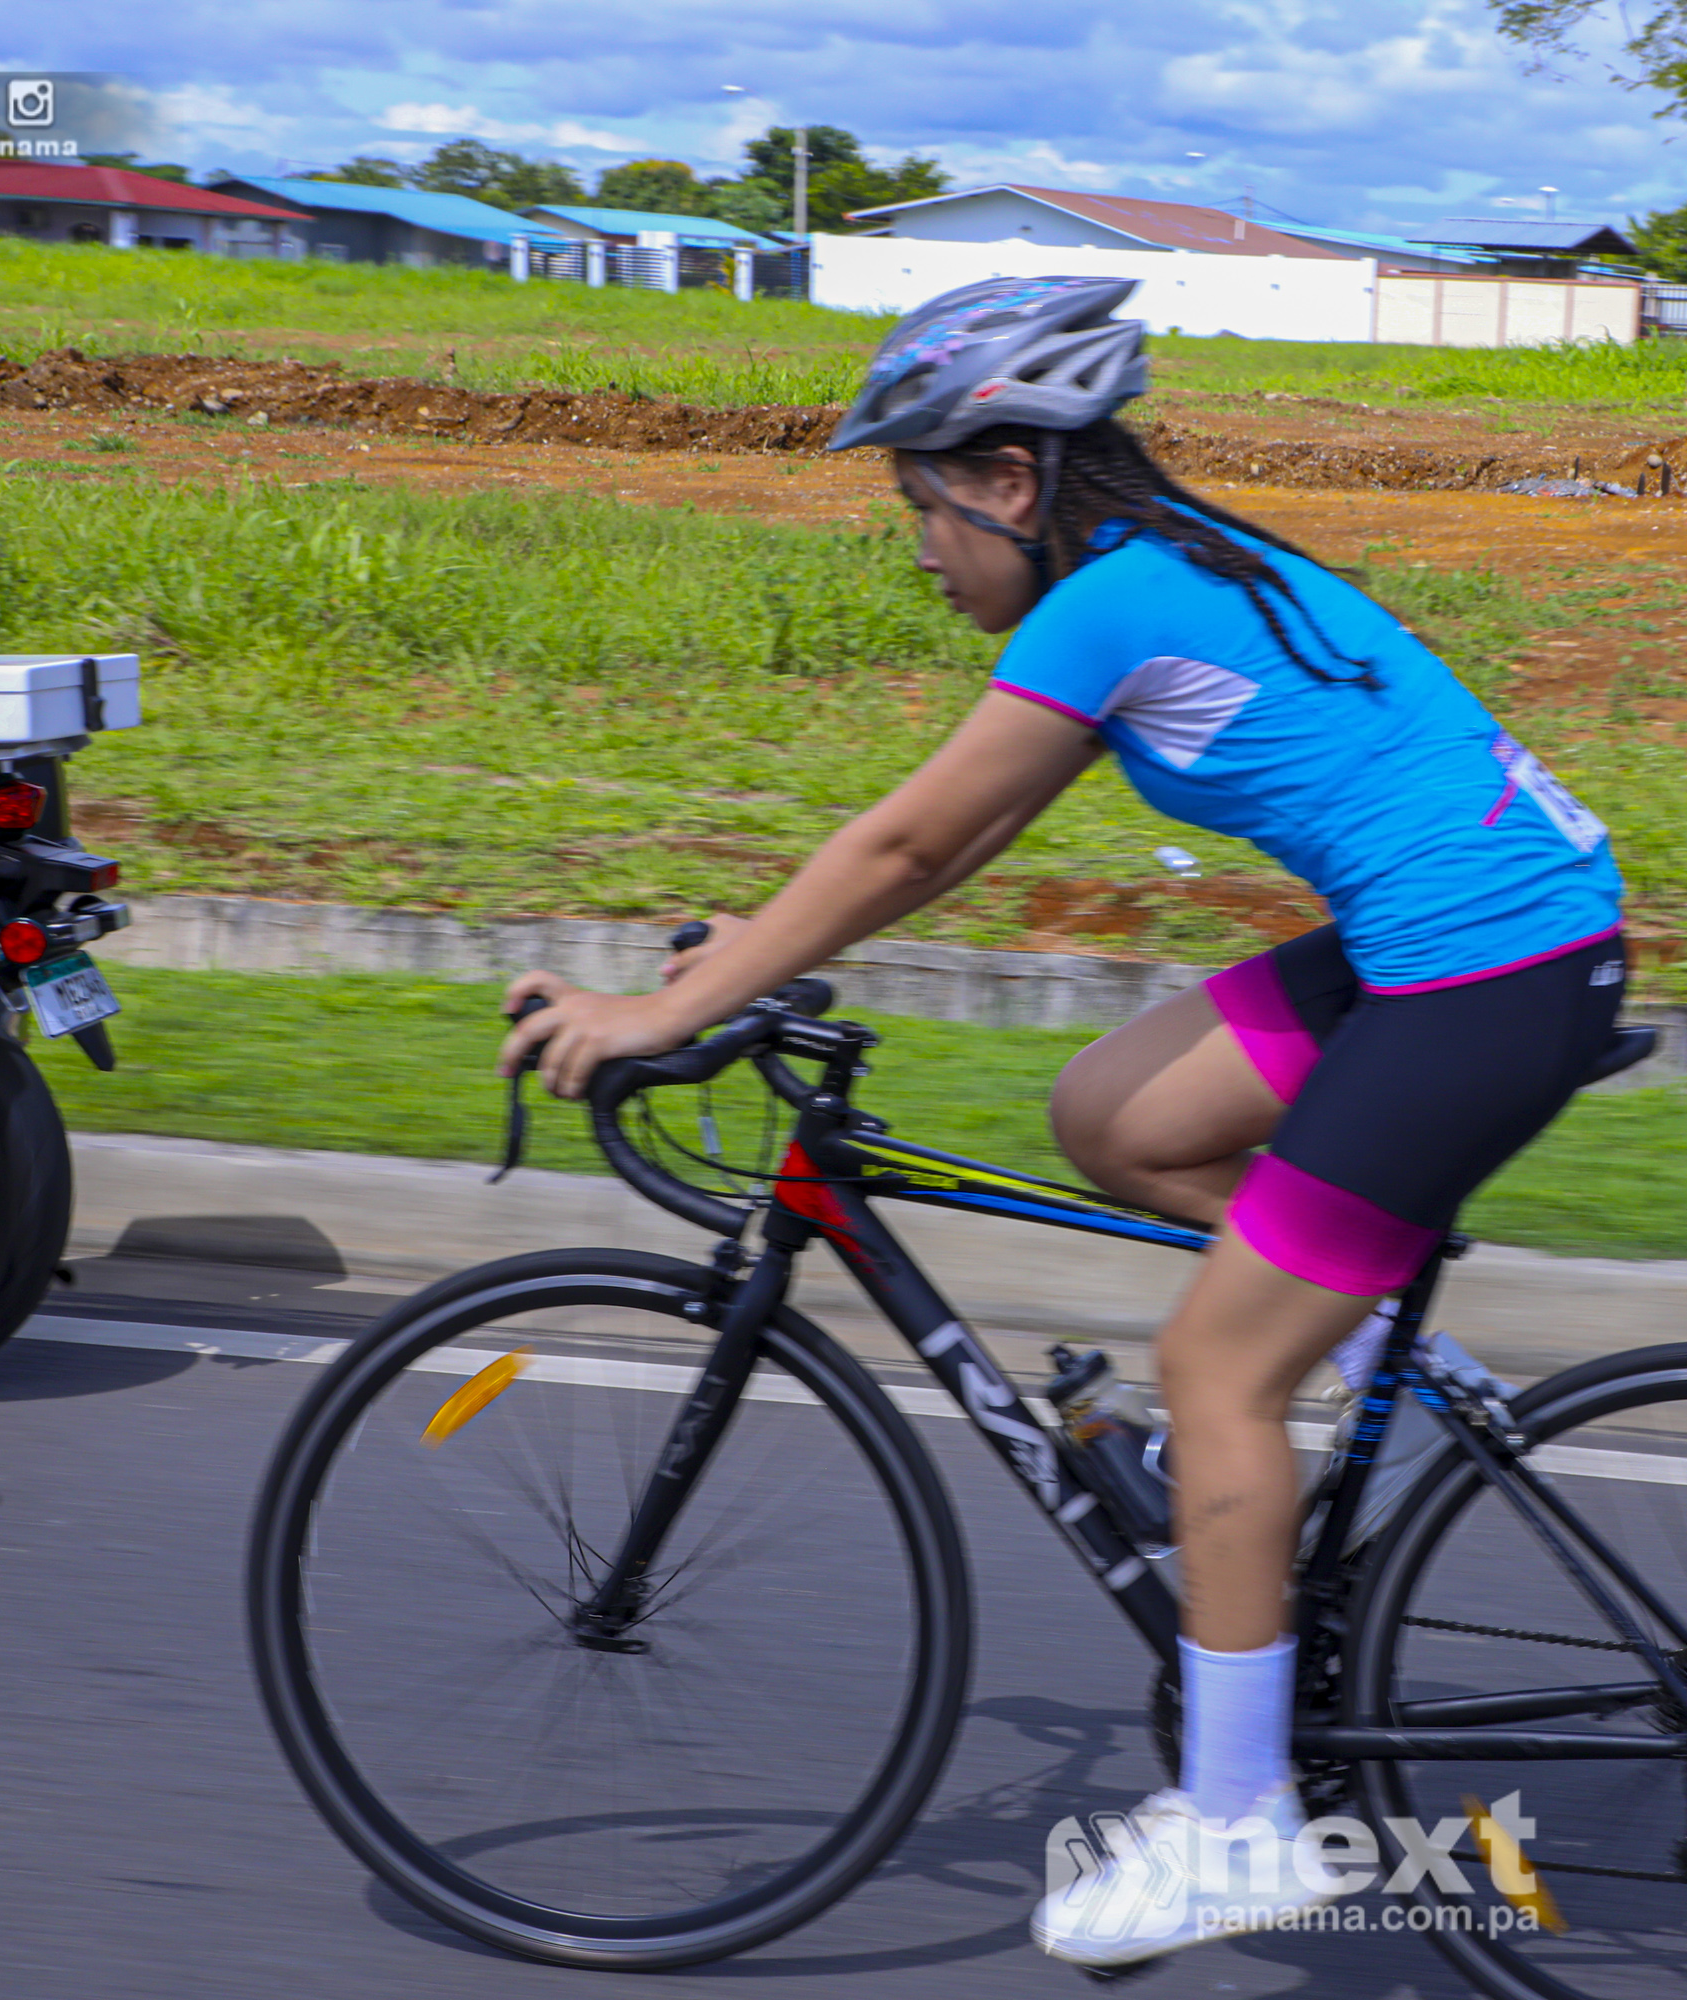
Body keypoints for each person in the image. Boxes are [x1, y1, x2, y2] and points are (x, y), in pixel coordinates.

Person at [498, 275, 1627, 1969]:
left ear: (1011, 477)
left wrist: (667, 1010)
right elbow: (945, 846)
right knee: (1120, 1113)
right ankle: (1392, 1381)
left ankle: (1239, 1824)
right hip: (1479, 937)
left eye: (922, 504)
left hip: (1486, 974)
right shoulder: (1162, 564)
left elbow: (909, 846)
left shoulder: (1111, 604)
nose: (921, 549)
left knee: (1215, 1371)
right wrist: (739, 960)